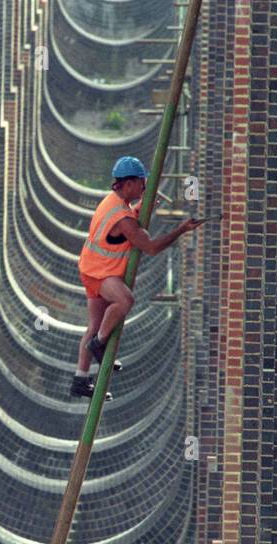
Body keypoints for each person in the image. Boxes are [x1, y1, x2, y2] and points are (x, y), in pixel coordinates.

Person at [72, 155, 205, 398]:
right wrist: (182, 229)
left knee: (93, 323)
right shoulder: (122, 218)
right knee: (124, 301)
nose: (144, 188)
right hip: (100, 272)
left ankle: (80, 380)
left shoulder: (112, 202)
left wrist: (141, 209)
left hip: (90, 267)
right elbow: (151, 247)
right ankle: (100, 343)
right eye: (142, 183)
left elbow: (125, 219)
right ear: (129, 183)